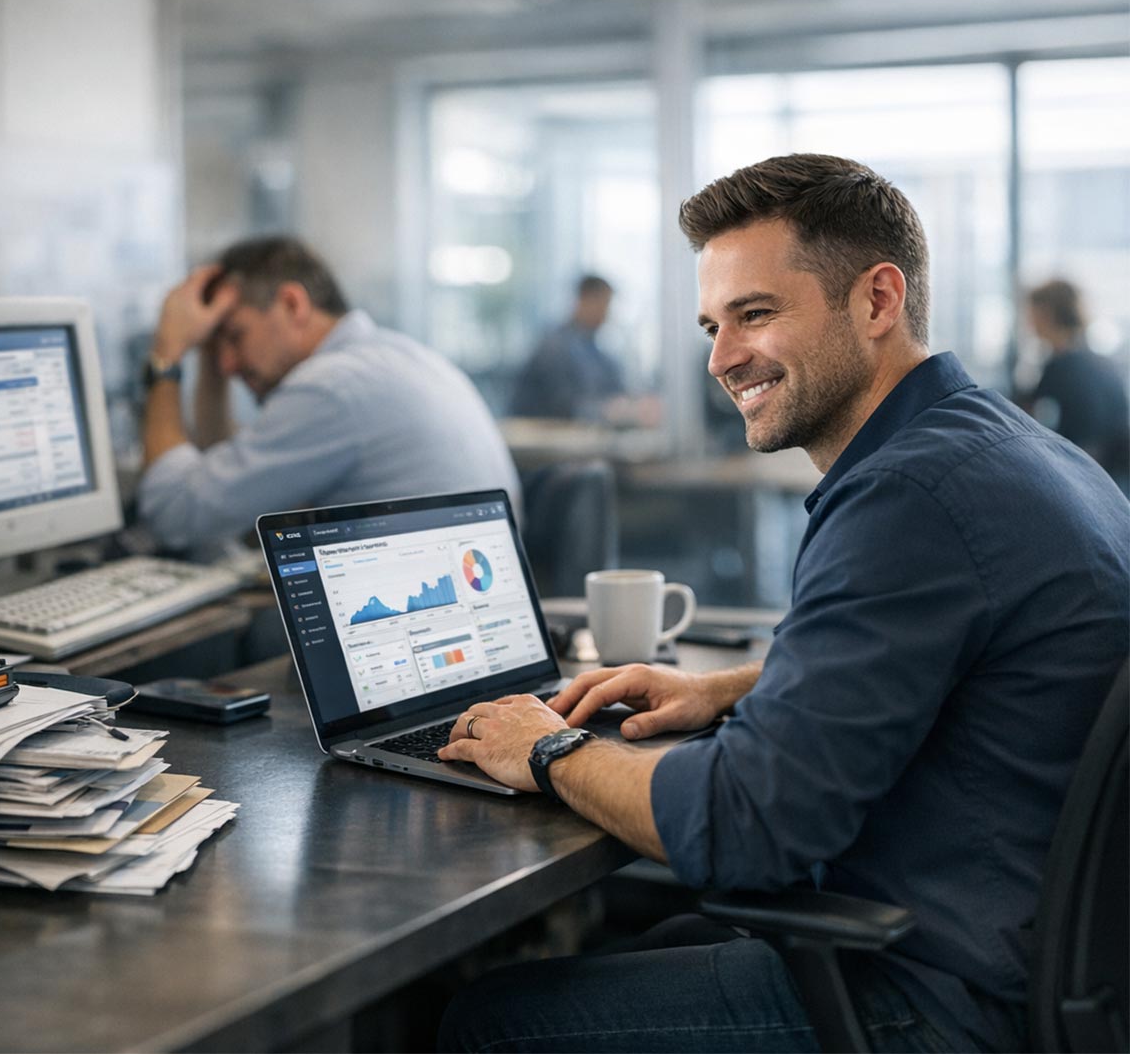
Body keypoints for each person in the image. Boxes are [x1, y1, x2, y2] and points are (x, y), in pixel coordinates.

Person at [435, 154, 1130, 1052]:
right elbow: (975, 653)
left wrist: (550, 747)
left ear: (878, 301)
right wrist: (730, 688)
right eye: (711, 324)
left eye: (755, 314)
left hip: (935, 997)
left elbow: (748, 824)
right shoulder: (1010, 447)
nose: (722, 358)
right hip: (1027, 952)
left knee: (486, 1022)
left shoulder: (906, 497)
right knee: (661, 938)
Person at [137, 235, 519, 550]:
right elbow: (229, 488)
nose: (227, 365)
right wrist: (209, 359)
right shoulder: (399, 356)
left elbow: (174, 513)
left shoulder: (330, 389)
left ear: (292, 304)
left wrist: (166, 356)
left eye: (236, 336)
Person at [1024, 278, 1129, 486]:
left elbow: (1025, 420)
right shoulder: (1099, 361)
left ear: (1046, 313)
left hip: (1086, 476)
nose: (1028, 321)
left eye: (1031, 312)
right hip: (1114, 480)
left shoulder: (1061, 367)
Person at [510, 275, 626, 420]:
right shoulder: (555, 347)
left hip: (575, 435)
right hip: (544, 435)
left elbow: (615, 388)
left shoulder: (594, 351)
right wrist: (606, 410)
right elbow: (564, 405)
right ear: (585, 300)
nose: (607, 314)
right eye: (604, 304)